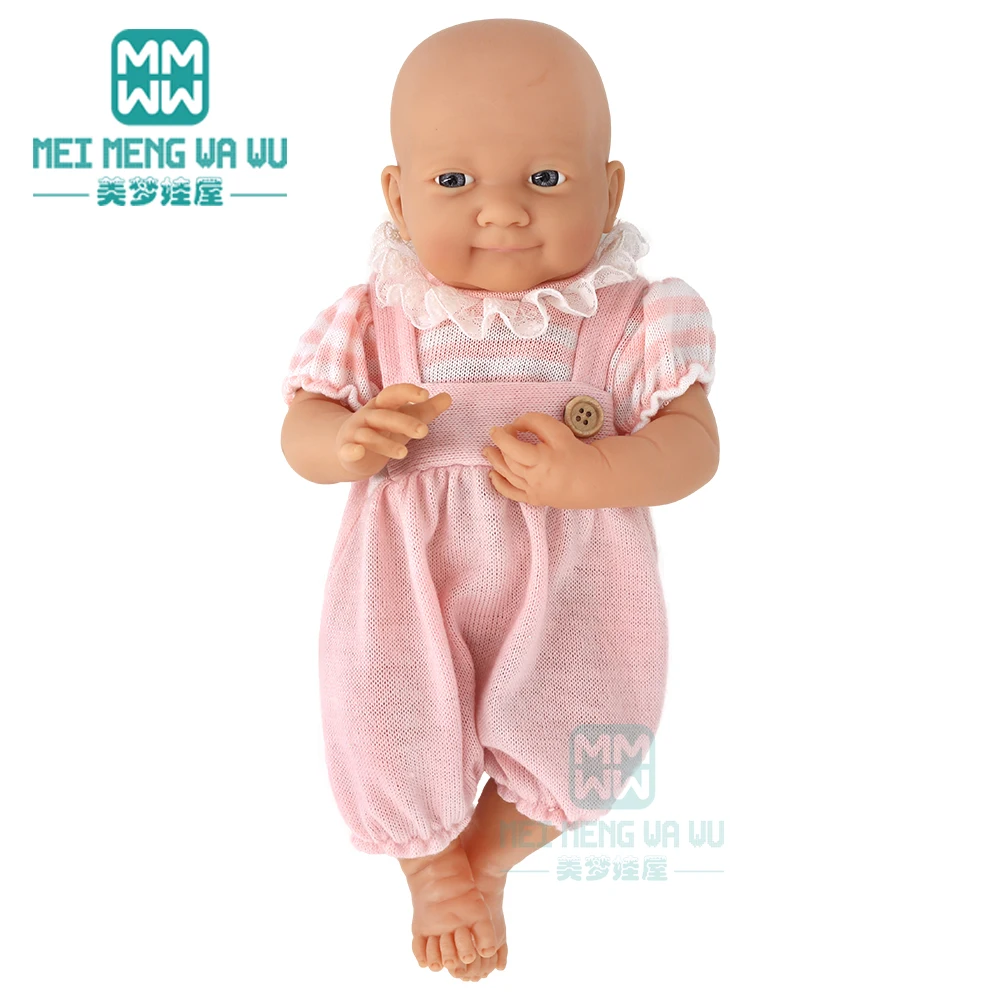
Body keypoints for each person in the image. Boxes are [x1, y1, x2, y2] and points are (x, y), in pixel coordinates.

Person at [280, 17, 719, 982]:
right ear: (398, 198)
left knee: (595, 720)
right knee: (381, 705)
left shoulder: (635, 317)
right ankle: (431, 863)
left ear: (610, 191)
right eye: (454, 181)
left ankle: (491, 851)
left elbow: (694, 448)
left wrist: (597, 473)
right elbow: (301, 426)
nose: (503, 212)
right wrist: (342, 442)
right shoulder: (377, 315)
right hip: (407, 581)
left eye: (547, 178)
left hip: (580, 586)